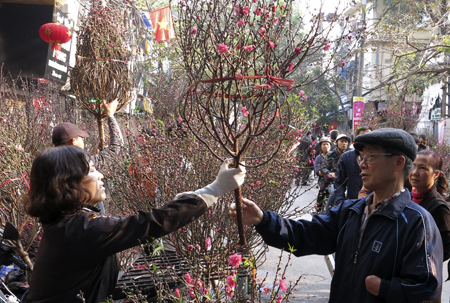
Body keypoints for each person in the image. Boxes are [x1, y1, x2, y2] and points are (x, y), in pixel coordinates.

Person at [230, 128, 443, 302]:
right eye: (362, 157)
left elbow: (426, 287)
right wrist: (262, 220)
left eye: (372, 156)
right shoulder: (351, 211)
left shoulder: (416, 222)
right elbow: (307, 235)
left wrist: (384, 288)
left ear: (399, 163)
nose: (362, 164)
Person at [21, 146, 245, 303]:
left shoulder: (67, 224)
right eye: (91, 170)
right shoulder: (81, 229)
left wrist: (191, 197)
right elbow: (148, 223)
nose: (100, 175)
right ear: (68, 183)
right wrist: (215, 189)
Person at [52, 99, 124, 213]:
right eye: (80, 137)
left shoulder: (53, 163)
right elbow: (117, 147)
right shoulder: (79, 162)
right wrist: (110, 115)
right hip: (89, 222)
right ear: (73, 141)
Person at [409, 149, 450, 261]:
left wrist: (422, 262)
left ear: (436, 174)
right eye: (414, 166)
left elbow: (446, 247)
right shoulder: (406, 197)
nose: (414, 172)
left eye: (422, 168)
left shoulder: (438, 207)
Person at [334, 126, 372, 206]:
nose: (366, 139)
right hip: (353, 202)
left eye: (369, 135)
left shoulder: (379, 157)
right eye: (363, 136)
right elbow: (339, 182)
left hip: (374, 203)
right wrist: (341, 202)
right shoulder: (346, 157)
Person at [320, 133, 351, 211]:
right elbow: (323, 167)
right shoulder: (330, 155)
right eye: (342, 141)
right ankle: (327, 214)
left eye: (346, 141)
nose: (344, 143)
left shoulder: (351, 154)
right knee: (335, 193)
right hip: (332, 182)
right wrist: (329, 173)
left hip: (348, 182)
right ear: (337, 143)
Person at [314, 137, 332, 212]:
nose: (325, 146)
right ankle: (318, 207)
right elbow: (318, 171)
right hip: (323, 179)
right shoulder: (319, 158)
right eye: (324, 144)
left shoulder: (333, 156)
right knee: (322, 190)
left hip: (334, 179)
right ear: (320, 146)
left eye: (327, 144)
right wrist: (324, 172)